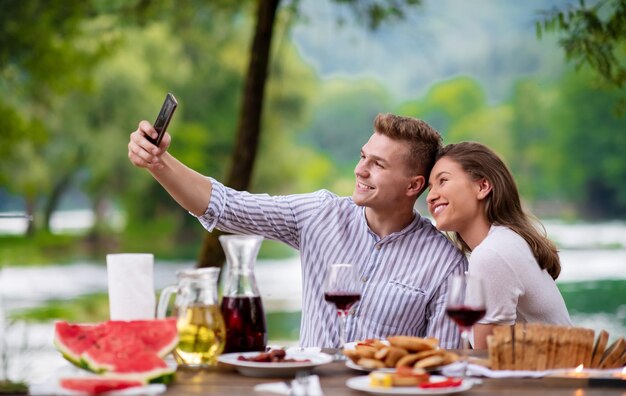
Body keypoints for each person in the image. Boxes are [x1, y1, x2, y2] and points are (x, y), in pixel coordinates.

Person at [128, 113, 468, 348]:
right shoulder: (320, 214)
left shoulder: (444, 263)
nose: (360, 170)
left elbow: (443, 362)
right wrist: (158, 161)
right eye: (363, 157)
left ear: (414, 185)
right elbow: (226, 206)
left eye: (377, 165)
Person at [426, 141, 572, 349]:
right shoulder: (505, 241)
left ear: (482, 186)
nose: (430, 197)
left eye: (443, 181)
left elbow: (486, 359)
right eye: (430, 187)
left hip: (549, 380)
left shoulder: (492, 253)